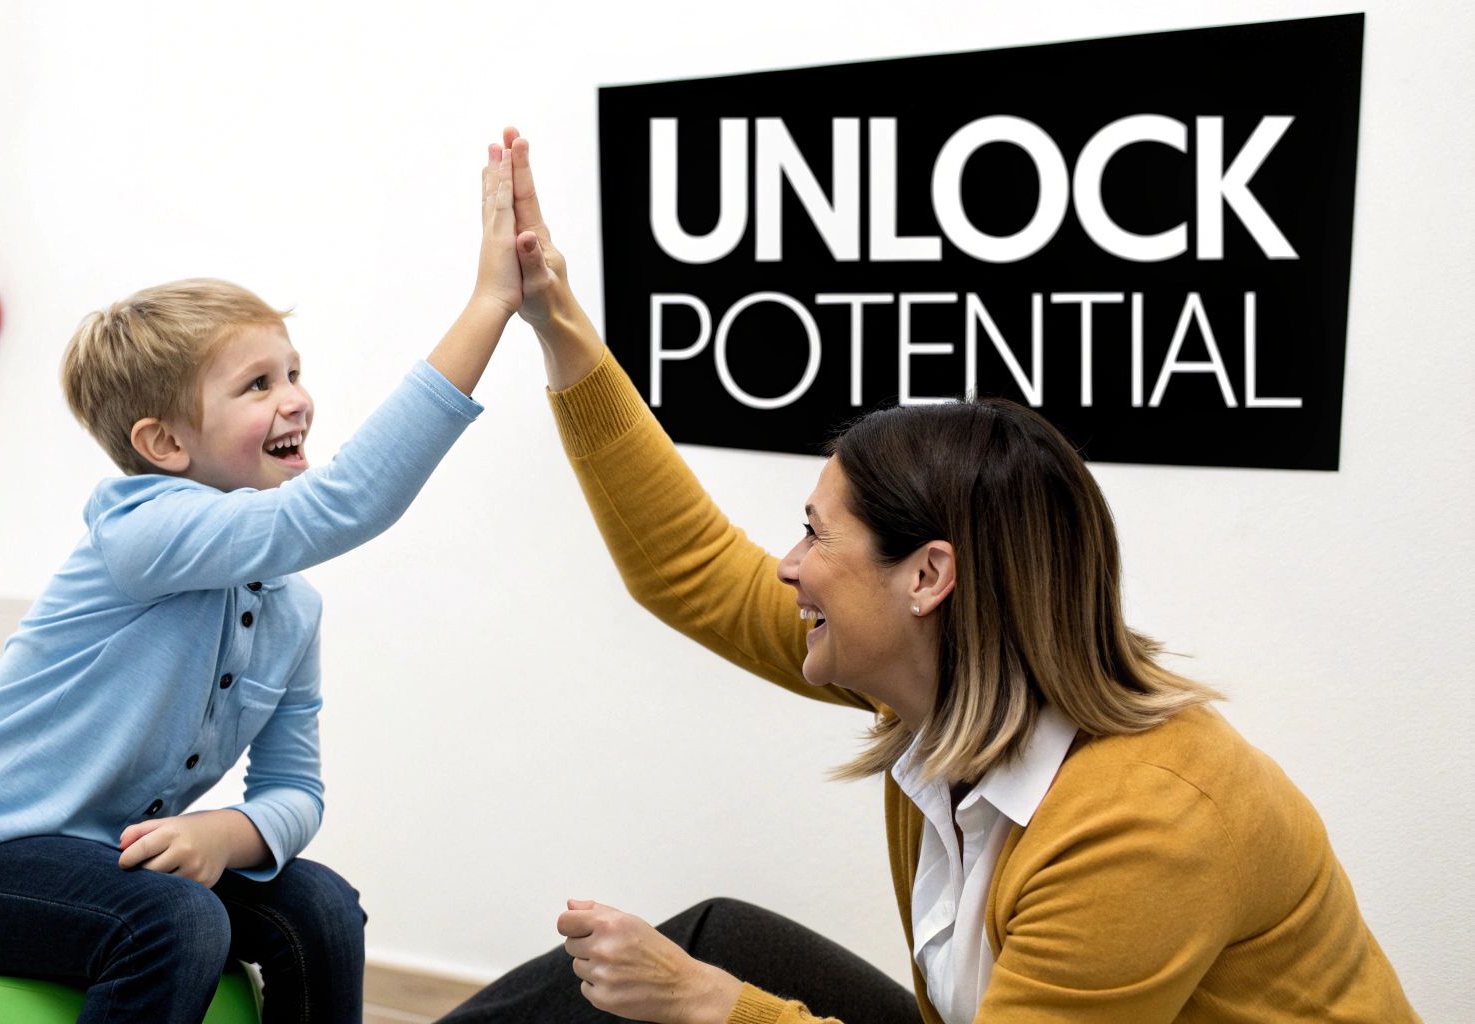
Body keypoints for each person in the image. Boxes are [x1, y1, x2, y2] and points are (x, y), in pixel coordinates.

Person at [442, 130, 1420, 1024]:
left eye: (813, 534)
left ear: (926, 577)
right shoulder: (939, 684)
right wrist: (554, 319)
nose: (786, 566)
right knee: (711, 935)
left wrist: (718, 1008)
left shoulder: (1144, 820)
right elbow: (686, 566)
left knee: (700, 979)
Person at [0, 138, 538, 1024]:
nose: (296, 398)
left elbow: (295, 789)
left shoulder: (290, 608)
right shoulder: (137, 528)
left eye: (294, 372)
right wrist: (490, 304)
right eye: (258, 385)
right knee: (179, 919)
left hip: (112, 859)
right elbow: (337, 508)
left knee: (323, 909)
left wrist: (221, 833)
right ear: (163, 446)